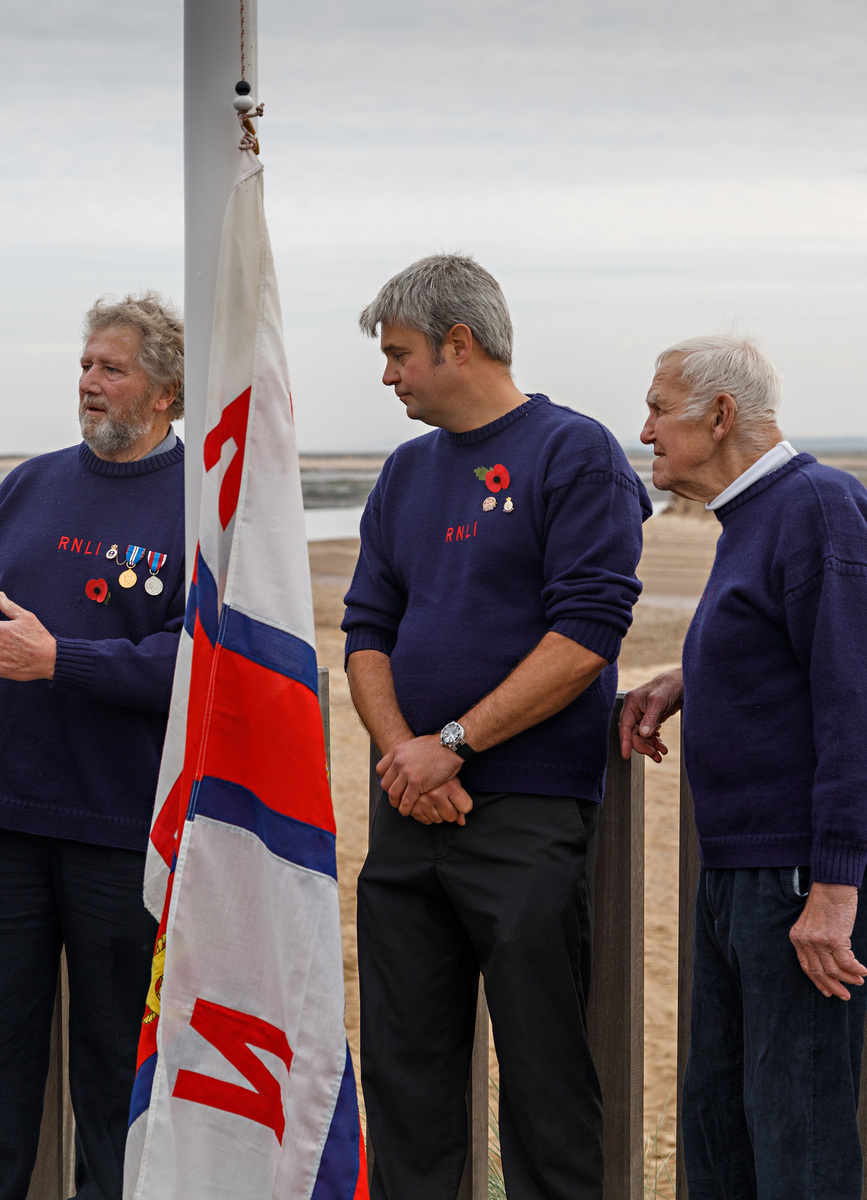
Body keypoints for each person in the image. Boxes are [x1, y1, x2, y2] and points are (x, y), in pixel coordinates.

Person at [342, 255, 650, 1199]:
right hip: (408, 811)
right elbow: (366, 633)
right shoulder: (404, 472)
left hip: (524, 812)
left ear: (459, 344)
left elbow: (590, 632)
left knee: (545, 1079)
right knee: (404, 1078)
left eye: (399, 354)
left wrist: (454, 746)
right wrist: (407, 755)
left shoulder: (575, 451)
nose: (387, 375)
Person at [619, 333, 867, 1200]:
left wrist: (834, 887)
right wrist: (692, 677)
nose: (645, 431)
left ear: (720, 413)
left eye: (659, 408)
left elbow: (865, 706)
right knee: (722, 1124)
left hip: (795, 877)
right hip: (741, 867)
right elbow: (783, 646)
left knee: (797, 1131)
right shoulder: (756, 516)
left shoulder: (819, 506)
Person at [0, 292, 186, 1200]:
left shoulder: (202, 507)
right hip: (3, 818)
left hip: (125, 833)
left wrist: (58, 660)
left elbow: (198, 667)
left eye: (111, 369)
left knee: (117, 1072)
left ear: (167, 392)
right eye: (85, 365)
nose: (89, 383)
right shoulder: (30, 484)